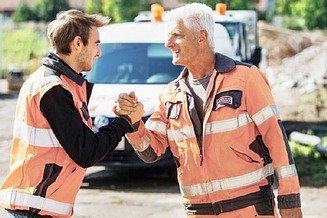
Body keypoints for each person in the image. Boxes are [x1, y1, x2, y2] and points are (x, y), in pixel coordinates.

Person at [114, 3, 302, 218]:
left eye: (177, 35)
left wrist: (290, 199)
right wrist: (134, 122)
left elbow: (276, 139)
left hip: (249, 209)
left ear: (201, 37)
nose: (168, 43)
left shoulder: (246, 78)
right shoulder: (169, 94)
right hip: (199, 212)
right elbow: (150, 152)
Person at [0, 9, 143, 218]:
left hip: (39, 207)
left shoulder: (62, 83)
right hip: (34, 209)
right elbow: (86, 152)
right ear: (77, 44)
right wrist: (125, 121)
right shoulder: (52, 88)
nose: (99, 52)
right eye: (96, 43)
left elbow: (83, 140)